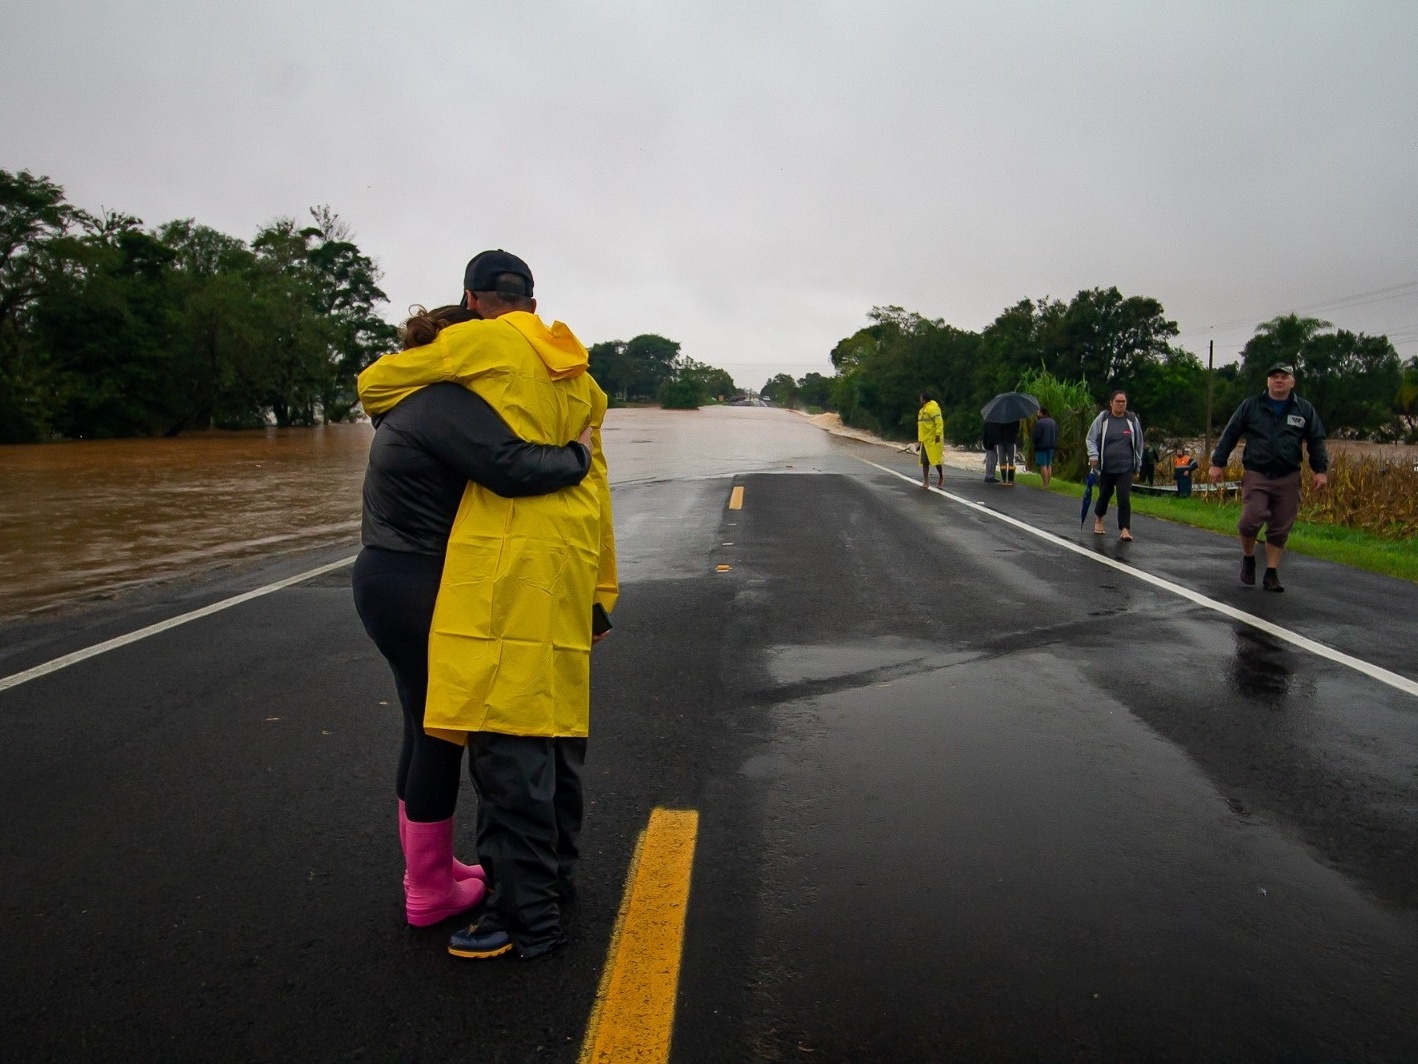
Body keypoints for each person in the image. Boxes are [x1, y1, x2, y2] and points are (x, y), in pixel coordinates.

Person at [357, 250, 617, 961]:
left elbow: (374, 385)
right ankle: (512, 884)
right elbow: (578, 486)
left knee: (495, 740)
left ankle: (506, 903)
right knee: (530, 733)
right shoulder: (576, 384)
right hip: (512, 573)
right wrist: (600, 592)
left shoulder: (468, 370)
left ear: (472, 304)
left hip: (471, 574)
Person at [1209, 362, 1328, 592]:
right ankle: (1248, 557)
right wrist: (1218, 463)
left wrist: (1320, 470)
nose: (1279, 380)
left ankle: (1271, 572)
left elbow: (1316, 440)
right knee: (1250, 520)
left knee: (1280, 526)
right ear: (1268, 381)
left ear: (1292, 382)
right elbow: (1231, 433)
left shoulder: (1303, 409)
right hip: (1258, 472)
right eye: (1274, 376)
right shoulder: (1251, 406)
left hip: (1288, 475)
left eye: (1284, 376)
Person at [1085, 390, 1144, 541]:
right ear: (1111, 403)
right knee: (1105, 494)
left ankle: (1125, 529)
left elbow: (1138, 444)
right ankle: (1099, 519)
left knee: (1124, 496)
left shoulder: (1131, 420)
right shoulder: (1103, 418)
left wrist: (1138, 465)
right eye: (1118, 401)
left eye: (1123, 402)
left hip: (1125, 467)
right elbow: (1091, 438)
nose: (1121, 404)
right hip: (1106, 466)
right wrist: (1093, 454)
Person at [917, 392, 945, 489]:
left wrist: (938, 434)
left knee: (936, 460)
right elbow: (921, 427)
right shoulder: (921, 411)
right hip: (925, 440)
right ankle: (926, 482)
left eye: (921, 398)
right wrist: (919, 441)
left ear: (924, 399)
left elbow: (939, 422)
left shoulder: (933, 408)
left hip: (933, 440)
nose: (920, 400)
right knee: (925, 462)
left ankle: (941, 477)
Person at [1031, 407, 1058, 488]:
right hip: (1051, 446)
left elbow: (1036, 436)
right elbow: (1056, 434)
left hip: (1041, 447)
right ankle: (1048, 483)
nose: (1037, 414)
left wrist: (1035, 443)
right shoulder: (1053, 422)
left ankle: (1045, 484)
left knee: (1043, 465)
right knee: (1048, 465)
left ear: (1042, 413)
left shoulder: (1039, 423)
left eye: (1038, 412)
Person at [997, 419, 1021, 485]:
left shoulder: (998, 418)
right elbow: (1017, 430)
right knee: (1011, 460)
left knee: (1002, 460)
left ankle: (1003, 478)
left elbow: (996, 429)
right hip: (1011, 440)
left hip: (1000, 441)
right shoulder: (1015, 418)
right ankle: (1011, 479)